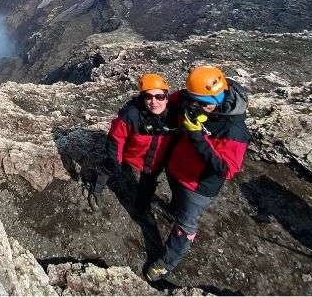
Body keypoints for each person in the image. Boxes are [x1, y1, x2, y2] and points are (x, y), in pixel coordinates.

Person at [145, 65, 250, 282]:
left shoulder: (234, 130)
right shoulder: (197, 98)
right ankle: (174, 209)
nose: (195, 106)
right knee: (177, 203)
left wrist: (197, 136)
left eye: (202, 103)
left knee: (185, 225)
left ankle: (166, 262)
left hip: (198, 187)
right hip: (177, 170)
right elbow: (176, 99)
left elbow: (226, 170)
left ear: (219, 97)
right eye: (193, 100)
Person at [89, 73, 178, 215]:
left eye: (159, 96)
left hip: (153, 162)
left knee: (147, 185)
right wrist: (115, 159)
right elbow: (116, 138)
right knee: (109, 167)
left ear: (167, 97)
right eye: (148, 96)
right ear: (142, 98)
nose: (154, 101)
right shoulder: (131, 114)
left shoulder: (175, 114)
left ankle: (141, 209)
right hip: (130, 155)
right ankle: (96, 189)